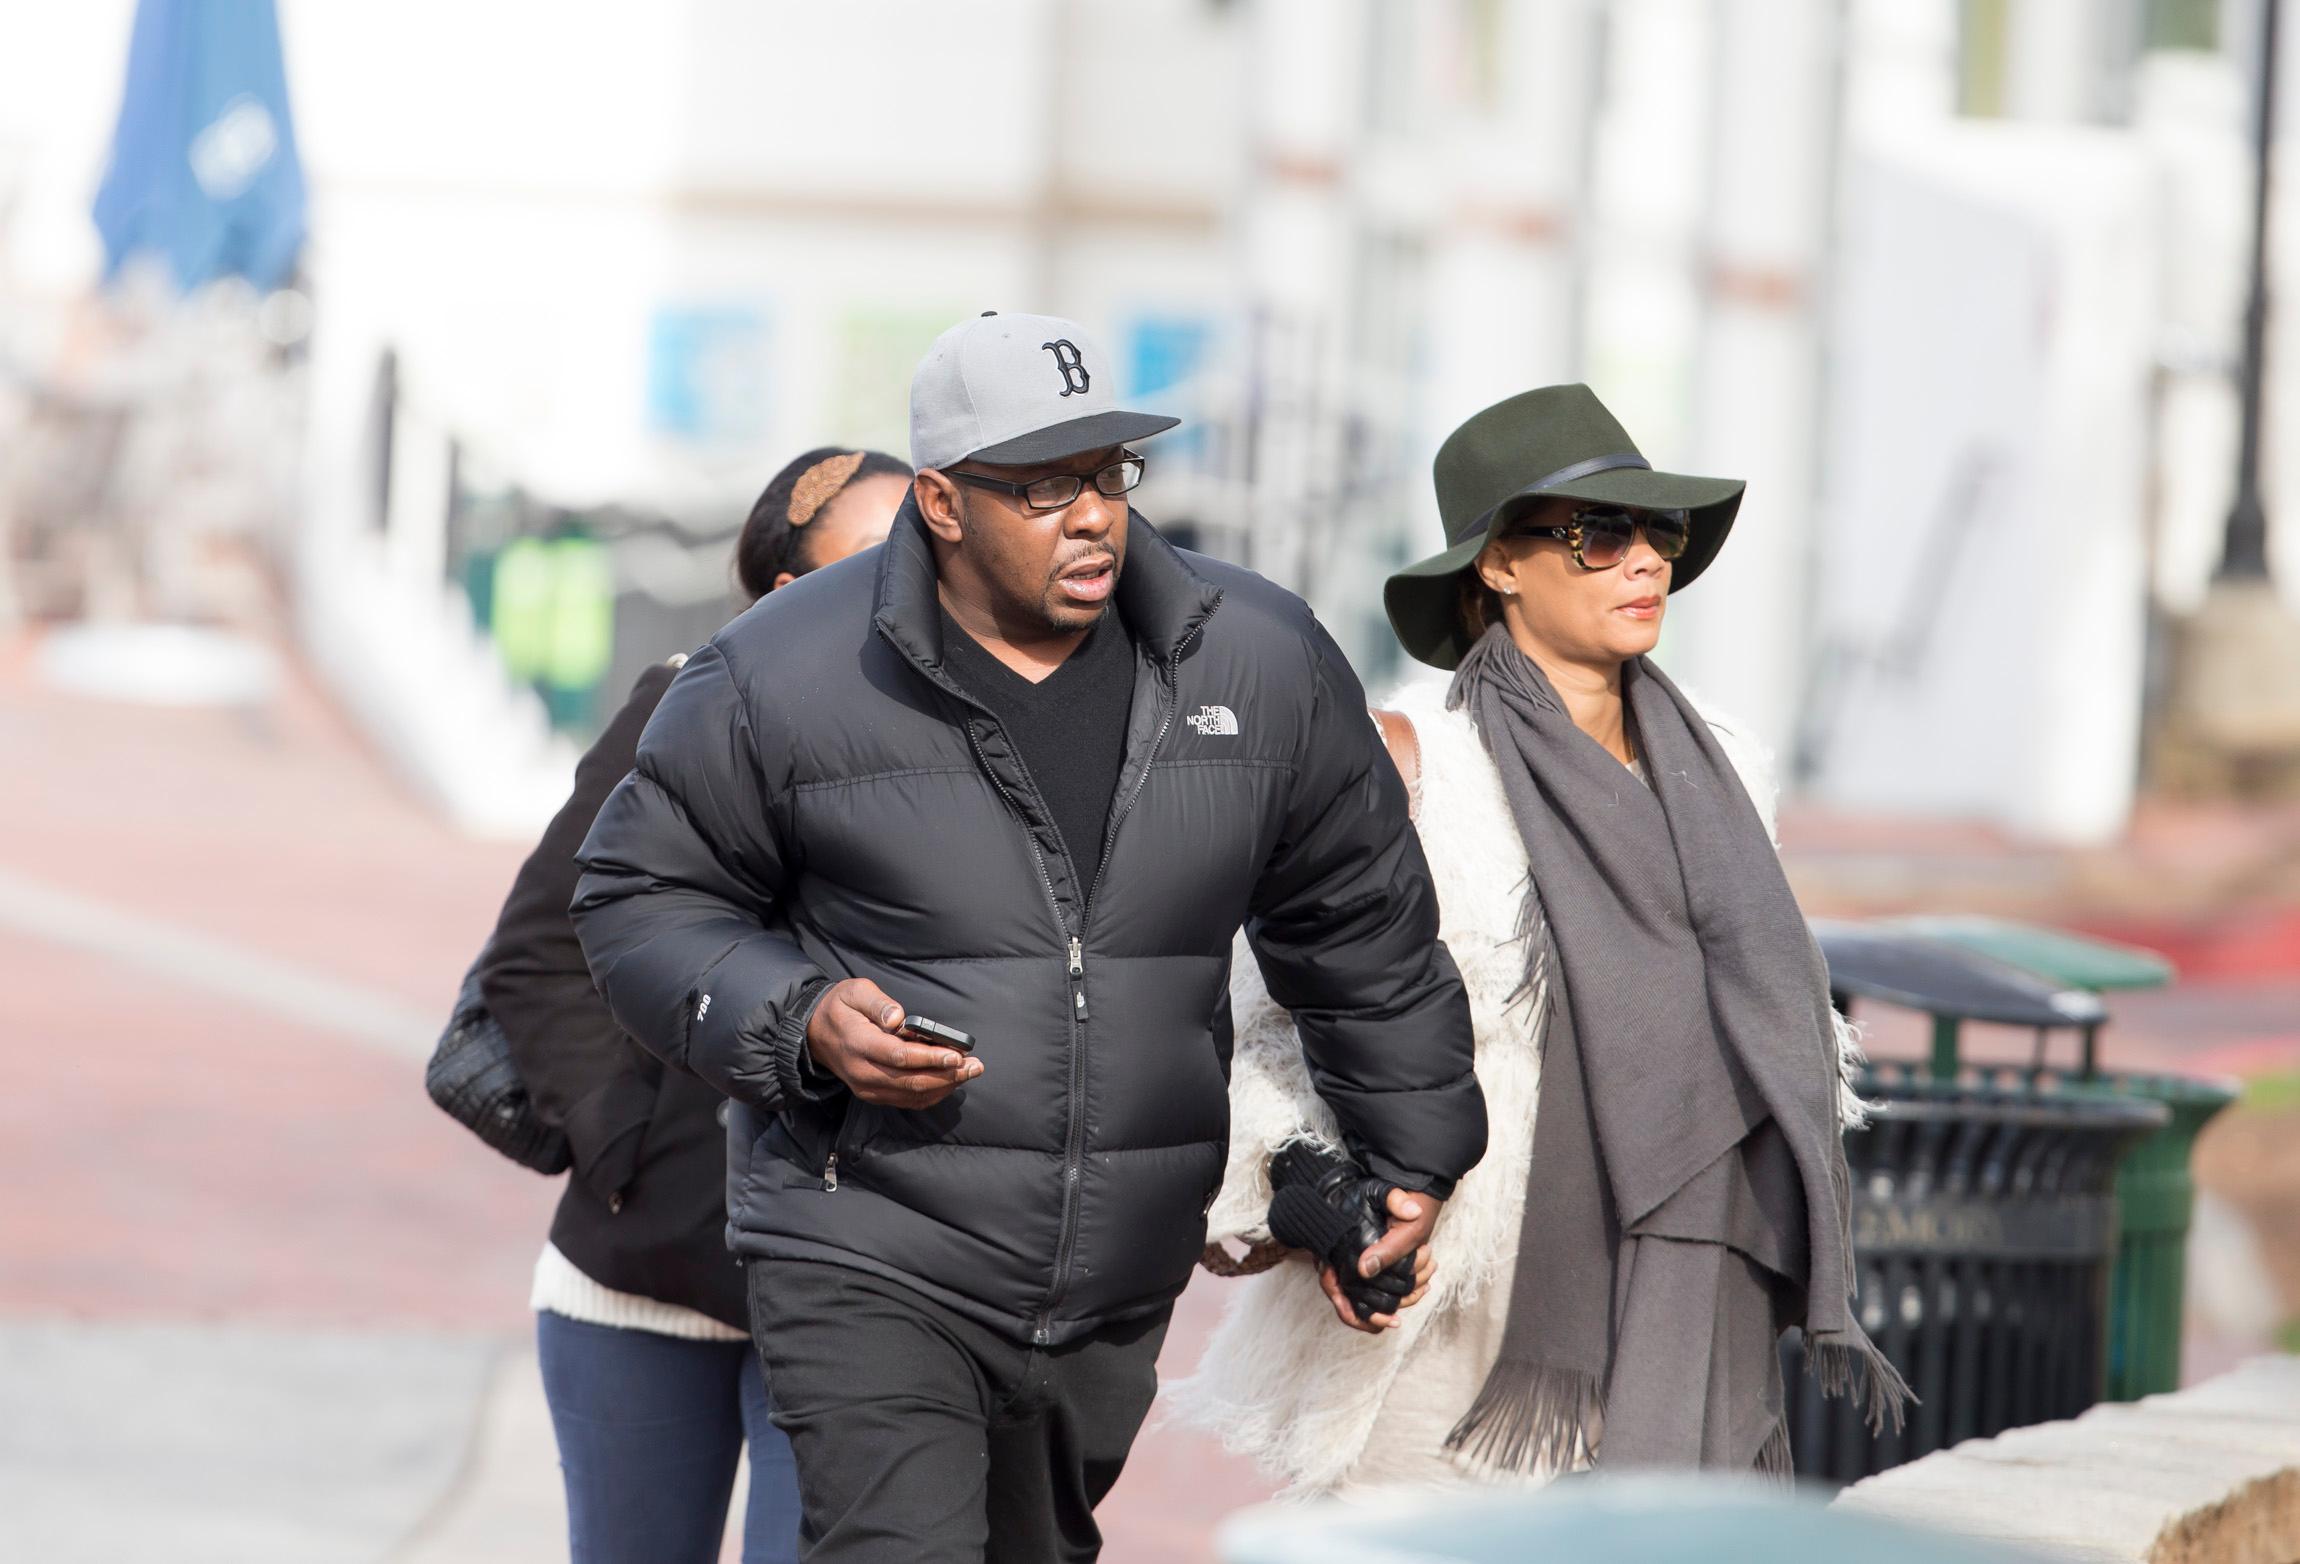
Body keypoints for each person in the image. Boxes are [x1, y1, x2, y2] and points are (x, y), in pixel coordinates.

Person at [569, 311, 1488, 1562]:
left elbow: (1360, 926)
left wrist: (1414, 1155)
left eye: (1110, 472)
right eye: (1042, 485)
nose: (1094, 513)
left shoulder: (1261, 659)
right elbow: (638, 897)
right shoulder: (775, 674)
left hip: (1113, 1275)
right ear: (941, 503)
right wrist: (796, 1021)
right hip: (867, 1241)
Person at [1169, 384, 1908, 1494]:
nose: (1644, 560)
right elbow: (1250, 1031)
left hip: (1684, 1303)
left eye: (1658, 531)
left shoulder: (1724, 771)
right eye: (1596, 533)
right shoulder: (1412, 766)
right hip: (1458, 1311)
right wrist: (1310, 1190)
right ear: (1496, 566)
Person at [475, 447, 910, 1564]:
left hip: (851, 1283)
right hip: (645, 1275)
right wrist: (623, 1140)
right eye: (868, 560)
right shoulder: (678, 707)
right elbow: (536, 950)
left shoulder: (968, 744)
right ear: (783, 595)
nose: (905, 583)